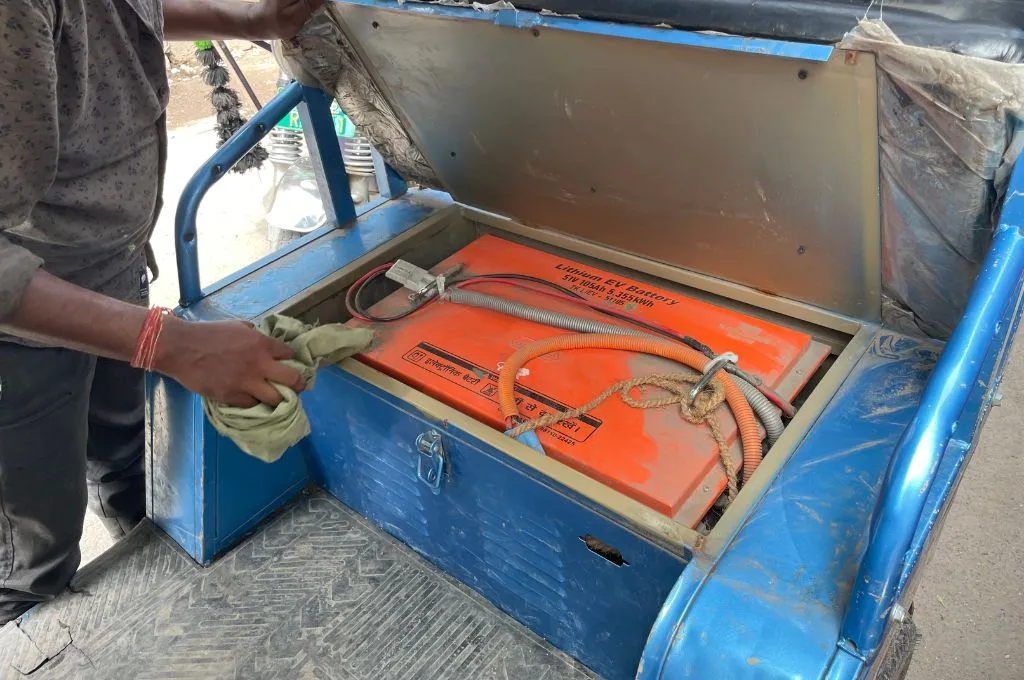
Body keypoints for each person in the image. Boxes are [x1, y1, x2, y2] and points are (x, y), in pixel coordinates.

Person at [0, 0, 324, 623]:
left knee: (128, 465)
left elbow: (114, 21)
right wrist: (169, 345)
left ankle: (148, 578)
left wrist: (247, 22)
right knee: (33, 557)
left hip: (112, 271)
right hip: (23, 332)